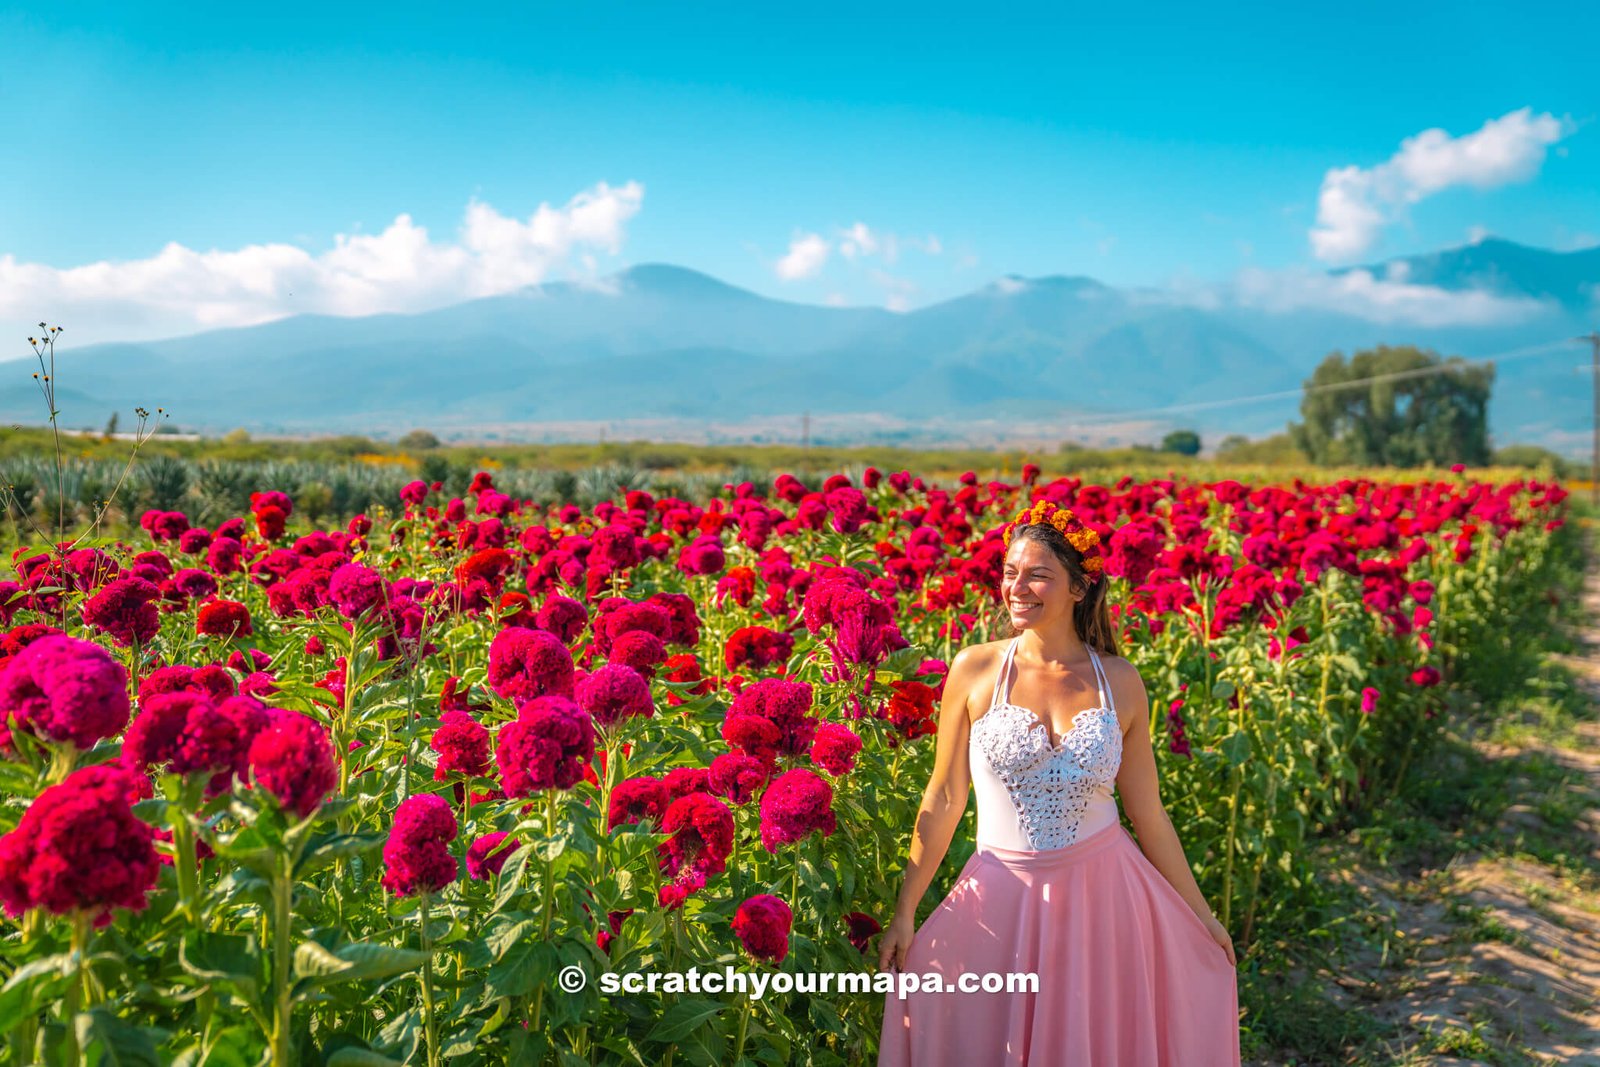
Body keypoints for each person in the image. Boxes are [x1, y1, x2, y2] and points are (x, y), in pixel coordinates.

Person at [876, 500, 1241, 1066]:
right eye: (1010, 573)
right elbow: (945, 797)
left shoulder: (1119, 681)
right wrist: (906, 911)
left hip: (1107, 900)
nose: (1017, 587)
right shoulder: (974, 669)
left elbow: (1149, 815)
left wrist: (1203, 917)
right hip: (999, 896)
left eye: (1038, 575)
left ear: (1078, 587)